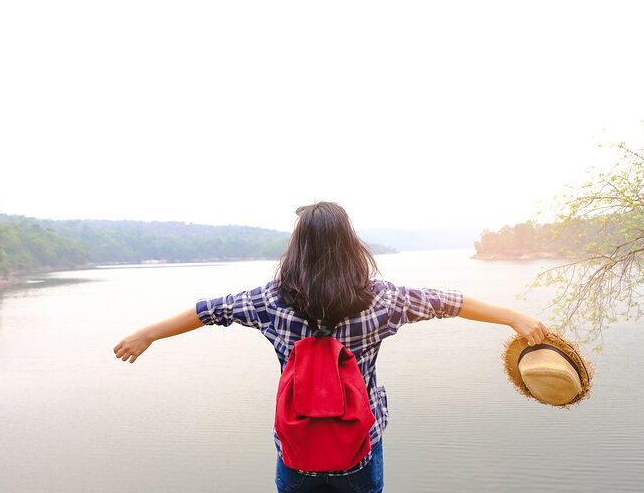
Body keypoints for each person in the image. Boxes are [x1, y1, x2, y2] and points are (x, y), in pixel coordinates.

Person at [114, 201, 548, 493]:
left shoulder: (270, 301)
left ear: (297, 248)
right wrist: (514, 317)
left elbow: (205, 311)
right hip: (359, 445)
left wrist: (147, 334)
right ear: (350, 244)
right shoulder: (383, 300)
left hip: (297, 450)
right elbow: (452, 303)